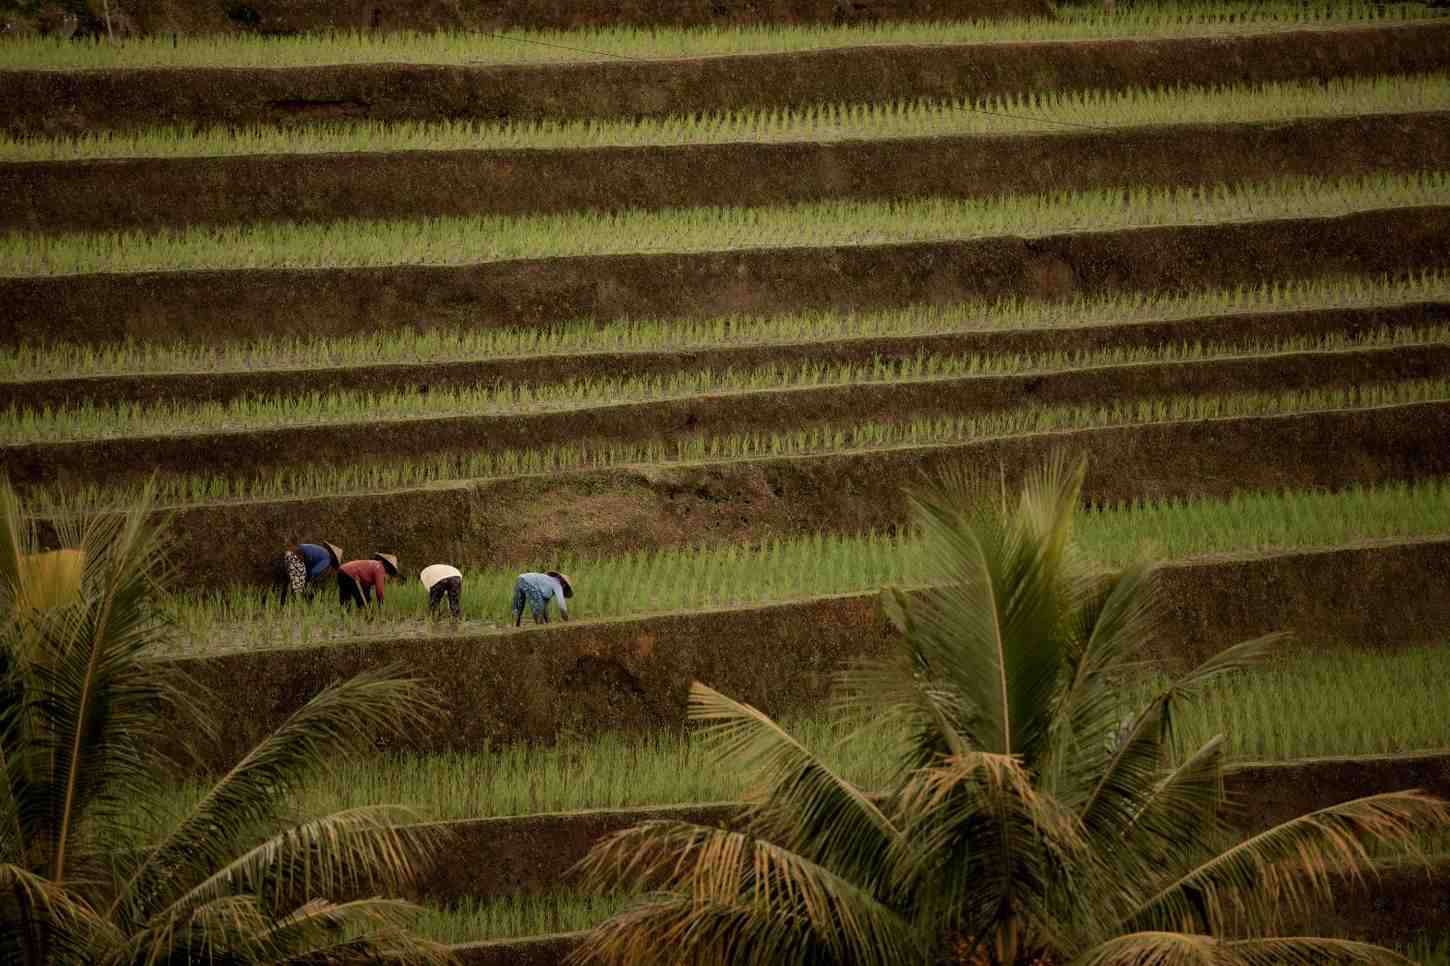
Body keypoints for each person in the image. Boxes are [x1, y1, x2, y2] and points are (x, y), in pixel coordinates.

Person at [271, 542, 342, 603]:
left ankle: (279, 603)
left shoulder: (321, 551)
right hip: (296, 558)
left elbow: (307, 568)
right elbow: (315, 572)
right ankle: (294, 606)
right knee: (297, 590)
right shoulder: (327, 558)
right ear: (334, 557)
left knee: (284, 585)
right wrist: (310, 583)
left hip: (288, 554)